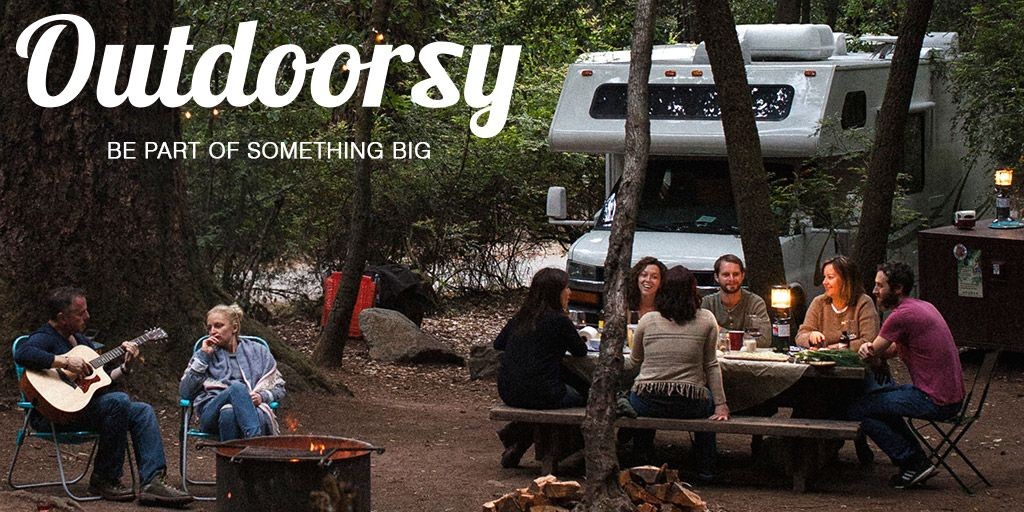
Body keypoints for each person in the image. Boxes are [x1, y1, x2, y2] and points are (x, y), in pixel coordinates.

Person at [13, 287, 192, 506]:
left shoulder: (81, 341)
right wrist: (65, 362)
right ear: (62, 317)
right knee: (117, 401)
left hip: (83, 408)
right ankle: (105, 478)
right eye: (80, 313)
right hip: (52, 415)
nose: (87, 317)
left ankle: (153, 481)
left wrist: (125, 366)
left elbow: (102, 379)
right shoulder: (44, 337)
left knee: (142, 410)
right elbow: (23, 354)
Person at [850, 261, 965, 489]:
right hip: (950, 396)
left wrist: (864, 349)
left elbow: (872, 353)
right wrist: (876, 352)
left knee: (859, 409)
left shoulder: (901, 316)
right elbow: (892, 350)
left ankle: (911, 460)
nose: (875, 291)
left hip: (935, 399)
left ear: (898, 288)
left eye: (880, 286)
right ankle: (915, 461)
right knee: (881, 400)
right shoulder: (922, 306)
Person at [625, 266, 729, 482]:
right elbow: (711, 364)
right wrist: (721, 403)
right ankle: (706, 468)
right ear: (693, 291)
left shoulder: (648, 320)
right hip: (690, 403)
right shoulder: (707, 319)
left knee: (634, 403)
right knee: (707, 406)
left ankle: (640, 460)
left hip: (647, 400)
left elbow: (635, 361)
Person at [493, 268, 588, 468]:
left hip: (509, 391)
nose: (570, 292)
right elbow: (580, 351)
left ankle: (518, 438)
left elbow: (498, 344)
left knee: (552, 390)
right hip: (544, 393)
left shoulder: (522, 317)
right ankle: (565, 453)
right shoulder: (559, 321)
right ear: (556, 292)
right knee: (584, 397)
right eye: (566, 288)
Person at [180, 304, 285, 441]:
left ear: (234, 328)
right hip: (211, 415)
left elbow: (279, 387)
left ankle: (230, 461)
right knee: (236, 388)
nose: (212, 331)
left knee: (228, 413)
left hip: (247, 412)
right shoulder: (204, 354)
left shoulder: (258, 351)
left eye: (218, 326)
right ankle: (255, 441)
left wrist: (261, 396)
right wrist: (204, 356)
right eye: (209, 327)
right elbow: (185, 392)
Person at [795, 255, 879, 351]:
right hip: (821, 363)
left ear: (846, 280)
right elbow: (800, 336)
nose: (824, 282)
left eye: (830, 277)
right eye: (824, 277)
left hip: (854, 363)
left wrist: (834, 349)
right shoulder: (819, 302)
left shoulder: (863, 303)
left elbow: (869, 341)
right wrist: (810, 336)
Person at [700, 254, 771, 347]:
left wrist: (720, 330)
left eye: (736, 274)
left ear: (742, 276)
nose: (731, 279)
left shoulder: (755, 303)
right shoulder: (707, 303)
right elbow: (701, 338)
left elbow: (764, 341)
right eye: (726, 275)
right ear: (716, 277)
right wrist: (746, 338)